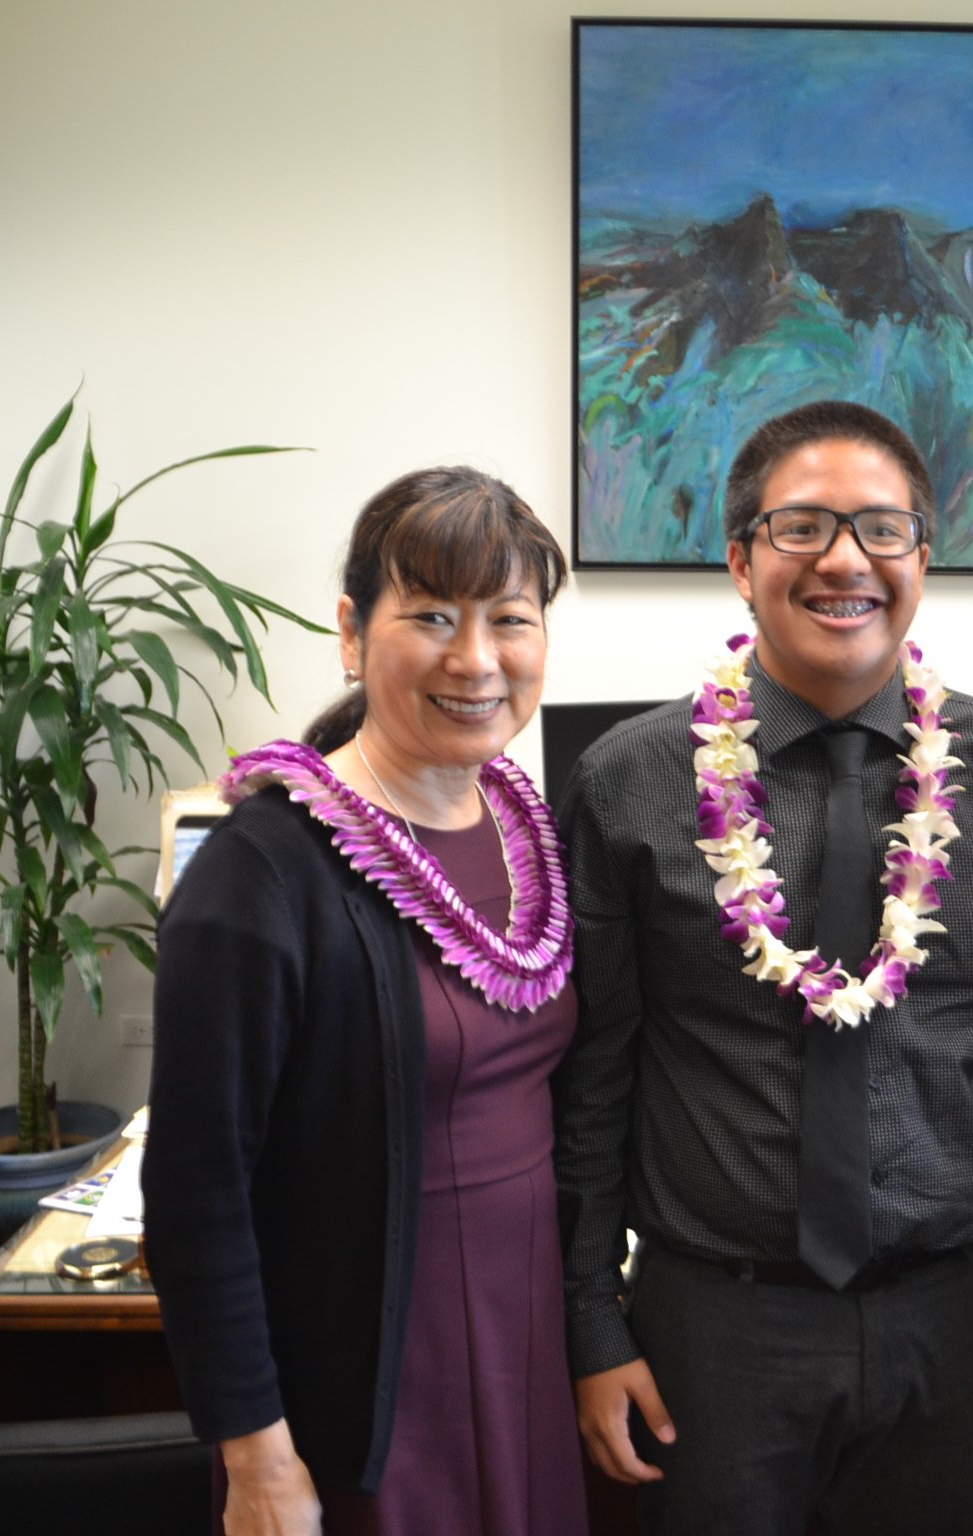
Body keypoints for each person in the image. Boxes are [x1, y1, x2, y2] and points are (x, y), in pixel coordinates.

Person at [554, 400, 973, 1535]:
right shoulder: (627, 779)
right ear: (742, 561)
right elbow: (595, 1074)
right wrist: (593, 1324)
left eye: (882, 529)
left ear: (922, 560)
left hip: (957, 1323)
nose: (846, 559)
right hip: (714, 1328)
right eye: (802, 527)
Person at [142, 467, 588, 1536]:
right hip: (366, 1383)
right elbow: (196, 1195)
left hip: (524, 1343)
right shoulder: (260, 872)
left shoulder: (531, 830)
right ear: (353, 630)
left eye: (509, 620)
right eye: (431, 616)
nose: (476, 660)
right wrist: (257, 1462)